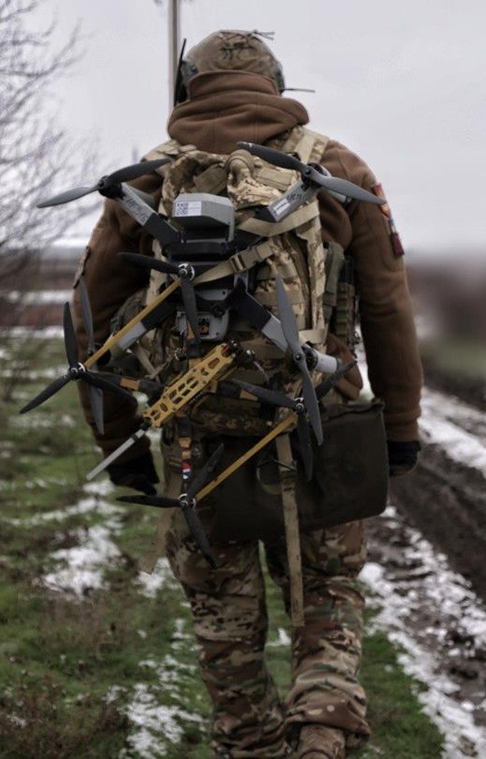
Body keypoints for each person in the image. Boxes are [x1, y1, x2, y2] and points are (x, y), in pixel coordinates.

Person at [72, 30, 423, 759]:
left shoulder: (148, 180)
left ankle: (251, 742)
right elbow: (390, 308)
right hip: (321, 430)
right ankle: (323, 735)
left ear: (187, 88)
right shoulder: (336, 168)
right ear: (276, 82)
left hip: (198, 442)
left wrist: (121, 444)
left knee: (222, 623)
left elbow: (89, 319)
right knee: (327, 596)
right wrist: (399, 430)